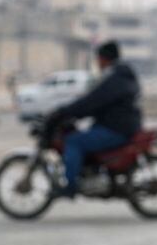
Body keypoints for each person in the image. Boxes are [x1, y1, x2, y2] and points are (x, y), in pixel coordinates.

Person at [44, 41, 143, 198]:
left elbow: (92, 100)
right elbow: (95, 100)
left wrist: (65, 112)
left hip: (116, 129)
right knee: (83, 136)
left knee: (74, 141)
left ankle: (70, 186)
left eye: (98, 58)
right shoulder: (121, 75)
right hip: (121, 126)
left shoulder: (114, 78)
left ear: (104, 58)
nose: (97, 62)